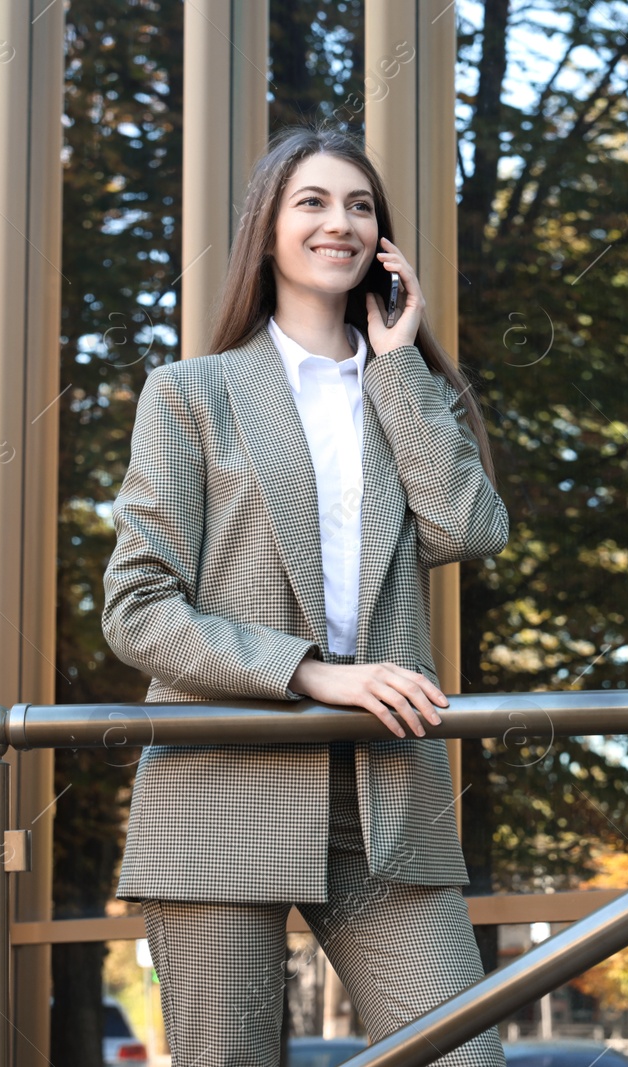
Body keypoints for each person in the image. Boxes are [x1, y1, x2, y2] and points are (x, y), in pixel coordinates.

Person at [101, 123, 510, 1067]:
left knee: (465, 1057)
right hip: (223, 785)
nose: (342, 222)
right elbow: (137, 605)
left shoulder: (402, 387)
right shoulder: (191, 393)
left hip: (382, 796)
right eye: (314, 202)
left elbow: (468, 528)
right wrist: (312, 674)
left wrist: (400, 360)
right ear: (269, 231)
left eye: (361, 205)